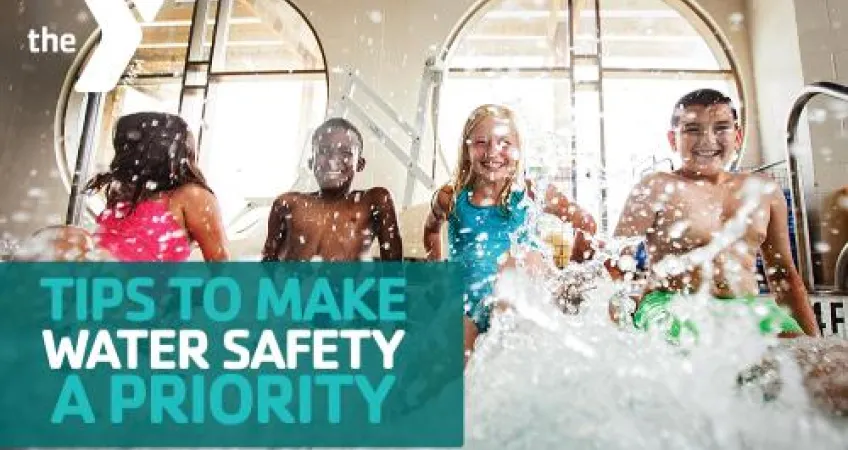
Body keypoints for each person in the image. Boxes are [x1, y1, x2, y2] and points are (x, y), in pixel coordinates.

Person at [611, 89, 819, 340]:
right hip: (672, 305)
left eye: (721, 128)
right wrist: (619, 326)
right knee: (699, 353)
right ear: (672, 139)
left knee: (824, 369)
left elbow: (783, 273)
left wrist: (814, 343)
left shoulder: (764, 191)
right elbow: (615, 266)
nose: (708, 140)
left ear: (738, 135)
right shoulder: (655, 187)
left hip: (747, 308)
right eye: (692, 129)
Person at [422, 104, 598, 362]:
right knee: (460, 370)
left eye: (504, 143)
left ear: (518, 148)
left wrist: (571, 274)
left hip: (521, 298)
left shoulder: (532, 193)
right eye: (481, 142)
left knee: (519, 259)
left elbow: (587, 224)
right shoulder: (451, 197)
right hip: (469, 306)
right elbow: (431, 230)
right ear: (467, 149)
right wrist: (435, 271)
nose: (493, 152)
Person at [85, 112, 229, 262]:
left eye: (128, 145)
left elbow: (221, 267)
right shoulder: (128, 193)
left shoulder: (191, 196)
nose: (122, 153)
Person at [261, 117, 403, 262]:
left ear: (360, 164)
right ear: (311, 162)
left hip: (347, 285)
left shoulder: (374, 201)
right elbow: (267, 266)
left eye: (346, 153)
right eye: (323, 151)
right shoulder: (288, 203)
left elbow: (393, 271)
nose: (332, 160)